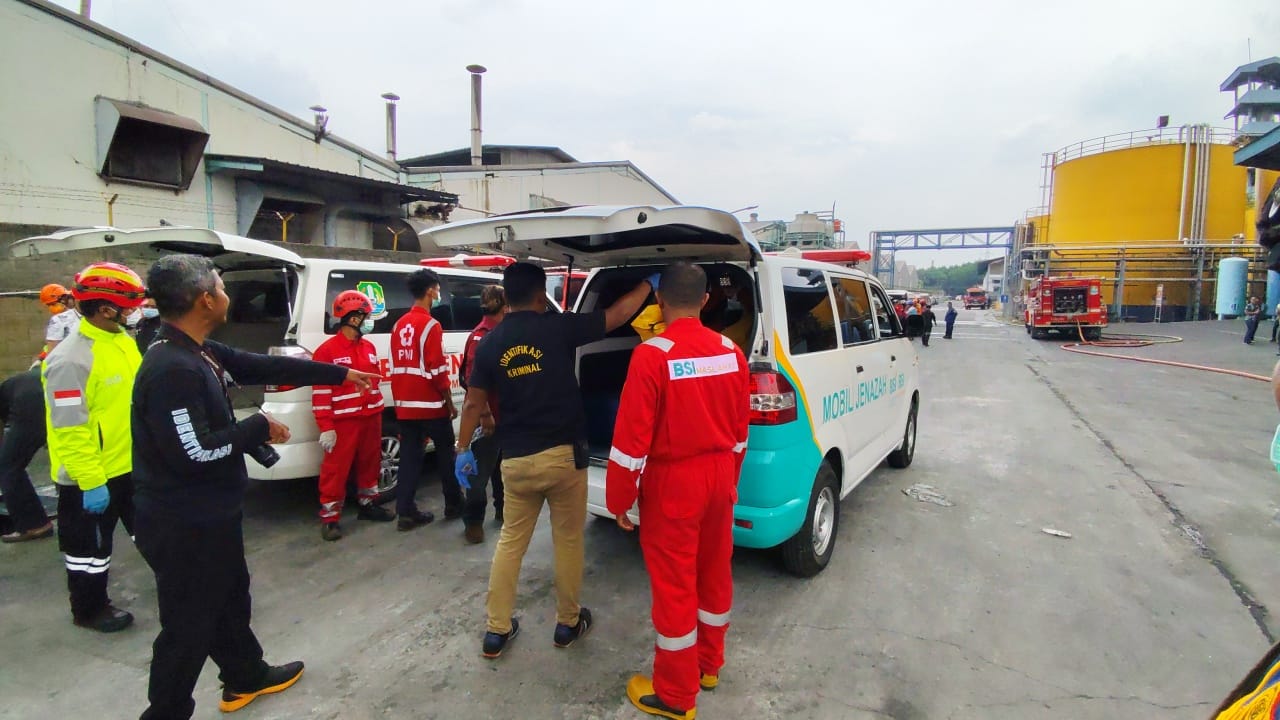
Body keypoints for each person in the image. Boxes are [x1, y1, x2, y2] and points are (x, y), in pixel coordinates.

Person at [131, 254, 378, 719]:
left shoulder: (198, 348)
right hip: (183, 522)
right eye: (222, 288)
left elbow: (257, 367)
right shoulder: (172, 368)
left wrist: (341, 373)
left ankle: (245, 675)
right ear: (205, 299)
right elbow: (194, 454)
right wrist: (257, 427)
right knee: (187, 626)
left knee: (230, 596)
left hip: (212, 514)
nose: (227, 296)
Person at [455, 261, 654, 659]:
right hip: (565, 459)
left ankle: (496, 631)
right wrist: (648, 285)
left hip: (516, 462)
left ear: (506, 296)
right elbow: (616, 316)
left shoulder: (491, 342)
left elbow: (474, 402)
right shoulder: (558, 326)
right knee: (567, 541)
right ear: (539, 292)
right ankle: (567, 623)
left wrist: (462, 450)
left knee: (510, 543)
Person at [605, 262, 750, 720]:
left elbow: (631, 443)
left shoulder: (652, 355)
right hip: (719, 475)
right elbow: (741, 433)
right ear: (705, 300)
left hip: (673, 484)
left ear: (659, 301)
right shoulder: (732, 351)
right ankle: (708, 666)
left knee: (675, 588)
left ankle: (674, 694)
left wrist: (619, 500)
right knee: (713, 574)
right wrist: (731, 478)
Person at [41, 262, 146, 633]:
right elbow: (70, 429)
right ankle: (89, 609)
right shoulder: (70, 361)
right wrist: (90, 481)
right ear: (105, 309)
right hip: (91, 480)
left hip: (130, 467)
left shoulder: (122, 342)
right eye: (128, 305)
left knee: (154, 533)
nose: (134, 311)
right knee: (89, 553)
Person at [312, 291, 396, 541]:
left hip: (371, 417)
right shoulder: (326, 352)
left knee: (371, 462)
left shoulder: (368, 347)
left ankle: (367, 504)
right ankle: (330, 518)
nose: (369, 321)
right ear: (352, 318)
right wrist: (326, 426)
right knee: (336, 470)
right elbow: (321, 392)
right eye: (366, 316)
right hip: (343, 422)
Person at [389, 268, 459, 531]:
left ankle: (405, 512)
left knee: (409, 457)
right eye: (437, 289)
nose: (438, 293)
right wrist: (449, 401)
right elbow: (437, 369)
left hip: (406, 405)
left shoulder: (399, 324)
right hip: (430, 404)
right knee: (445, 453)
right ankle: (453, 503)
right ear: (430, 290)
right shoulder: (431, 325)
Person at [458, 285, 507, 544]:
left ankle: (502, 510)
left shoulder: (500, 331)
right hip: (487, 417)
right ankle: (473, 522)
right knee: (479, 475)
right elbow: (472, 379)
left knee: (503, 469)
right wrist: (486, 414)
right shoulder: (483, 335)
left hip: (505, 415)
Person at [0, 367, 53, 543]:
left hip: (30, 403)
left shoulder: (9, 392)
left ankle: (33, 525)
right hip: (52, 392)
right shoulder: (15, 381)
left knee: (7, 466)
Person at [39, 282, 78, 360]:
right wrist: (42, 357)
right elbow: (52, 345)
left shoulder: (84, 311)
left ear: (63, 299)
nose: (51, 308)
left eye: (53, 304)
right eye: (49, 305)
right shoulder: (59, 319)